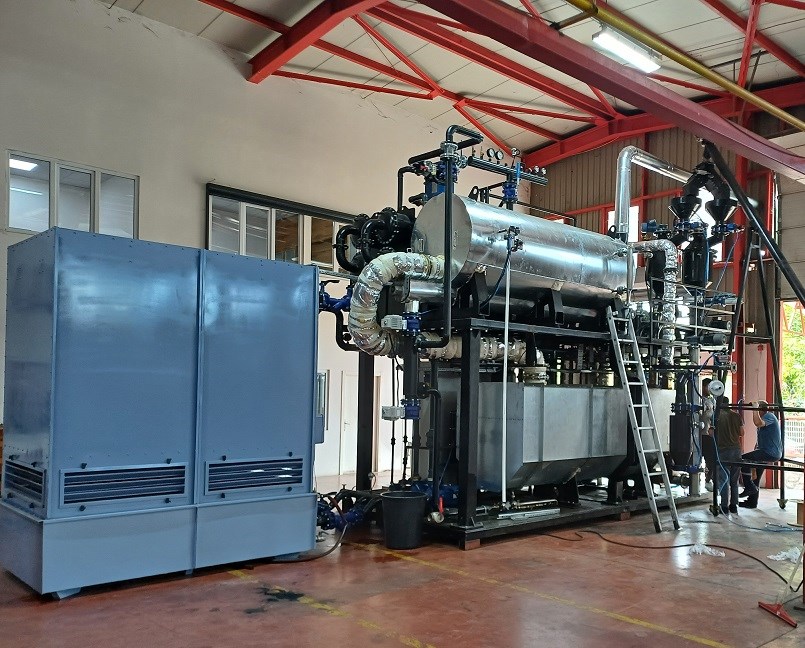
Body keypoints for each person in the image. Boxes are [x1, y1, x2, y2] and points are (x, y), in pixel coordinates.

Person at [739, 401, 782, 508]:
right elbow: (760, 440)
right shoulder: (764, 419)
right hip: (764, 451)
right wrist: (755, 450)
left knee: (742, 459)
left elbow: (757, 423)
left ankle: (749, 486)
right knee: (756, 477)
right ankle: (752, 502)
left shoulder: (769, 416)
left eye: (757, 409)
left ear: (761, 409)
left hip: (770, 452)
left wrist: (755, 408)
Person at [713, 395, 743, 514]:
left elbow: (711, 433)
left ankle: (724, 506)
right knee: (734, 480)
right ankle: (734, 505)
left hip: (722, 451)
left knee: (724, 479)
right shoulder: (737, 415)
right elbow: (742, 433)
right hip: (736, 450)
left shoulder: (716, 416)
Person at [700, 379, 716, 491]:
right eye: (708, 387)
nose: (710, 389)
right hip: (698, 434)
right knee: (695, 458)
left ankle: (708, 480)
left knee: (711, 459)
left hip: (708, 434)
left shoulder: (712, 400)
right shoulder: (699, 399)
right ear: (703, 387)